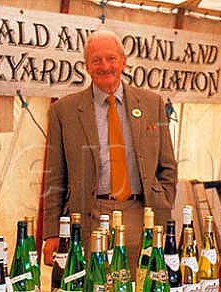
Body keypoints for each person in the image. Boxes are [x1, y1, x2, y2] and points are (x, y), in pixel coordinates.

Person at [42, 29, 177, 278]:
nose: (105, 66)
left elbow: (167, 164)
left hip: (142, 216)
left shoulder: (152, 104)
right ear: (86, 67)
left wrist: (163, 202)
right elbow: (54, 177)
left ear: (123, 62)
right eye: (96, 60)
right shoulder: (64, 111)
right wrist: (51, 232)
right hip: (89, 217)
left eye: (111, 58)